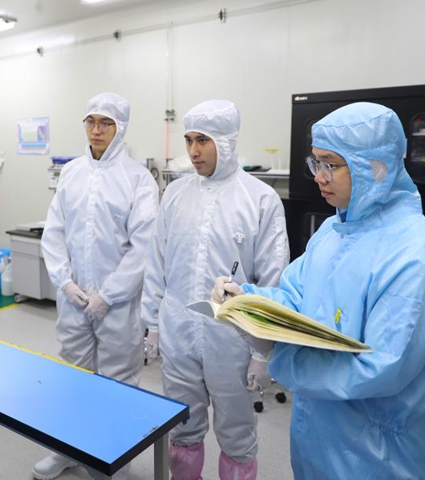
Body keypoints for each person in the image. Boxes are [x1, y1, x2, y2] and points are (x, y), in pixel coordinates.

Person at [212, 102, 425, 479]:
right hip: (315, 437)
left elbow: (381, 368)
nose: (319, 176)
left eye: (331, 164)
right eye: (315, 163)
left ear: (375, 168)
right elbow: (296, 296)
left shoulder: (420, 258)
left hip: (378, 457)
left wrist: (279, 357)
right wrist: (247, 301)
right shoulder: (333, 233)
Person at [142, 99, 290, 480]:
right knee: (182, 424)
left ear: (225, 141)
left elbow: (273, 279)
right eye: (189, 140)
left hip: (233, 338)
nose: (193, 151)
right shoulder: (175, 194)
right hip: (178, 329)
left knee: (236, 431)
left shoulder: (259, 199)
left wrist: (262, 351)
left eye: (203, 140)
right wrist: (153, 323)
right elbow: (156, 261)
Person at [34, 92, 159, 480]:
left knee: (117, 382)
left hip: (118, 305)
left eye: (106, 123)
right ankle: (68, 450)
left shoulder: (138, 179)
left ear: (120, 128)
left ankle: (110, 458)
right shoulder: (71, 172)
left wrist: (110, 294)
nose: (97, 130)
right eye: (91, 121)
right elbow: (54, 232)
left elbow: (144, 247)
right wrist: (65, 283)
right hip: (74, 299)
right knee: (73, 375)